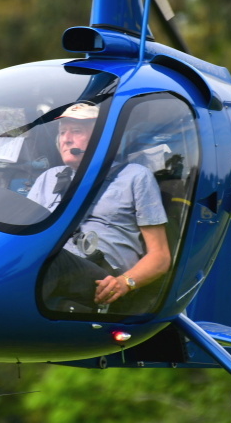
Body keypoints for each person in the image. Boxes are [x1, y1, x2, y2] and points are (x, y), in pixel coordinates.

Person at [28, 102, 170, 309]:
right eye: (62, 132)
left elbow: (161, 256)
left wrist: (125, 282)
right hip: (50, 268)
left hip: (102, 278)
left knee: (49, 260)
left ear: (102, 139)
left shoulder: (134, 176)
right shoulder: (47, 178)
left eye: (76, 131)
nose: (66, 139)